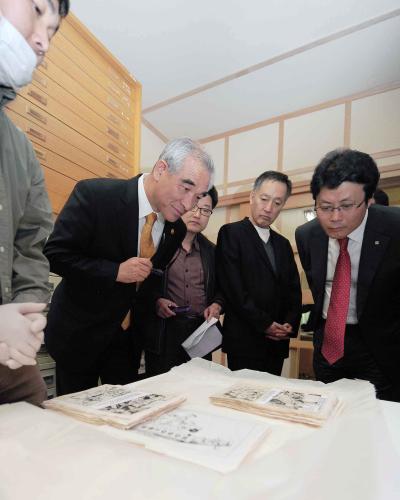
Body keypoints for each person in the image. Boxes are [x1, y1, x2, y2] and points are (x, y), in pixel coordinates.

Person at [44, 137, 214, 395]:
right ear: (161, 169)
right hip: (80, 335)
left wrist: (155, 299)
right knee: (74, 414)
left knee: (122, 412)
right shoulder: (96, 195)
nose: (189, 204)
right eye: (185, 187)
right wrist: (115, 271)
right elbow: (55, 254)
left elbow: (150, 278)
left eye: (198, 196)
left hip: (126, 344)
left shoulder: (175, 230)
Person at [0, 0, 70, 405]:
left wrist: (26, 314)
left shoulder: (21, 150)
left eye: (53, 30)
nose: (43, 41)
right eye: (38, 9)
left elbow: (31, 244)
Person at [295, 148, 400, 402]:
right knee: (327, 408)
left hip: (380, 344)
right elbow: (317, 285)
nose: (335, 218)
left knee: (378, 413)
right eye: (325, 207)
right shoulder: (307, 235)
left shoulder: (395, 228)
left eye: (346, 206)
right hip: (329, 342)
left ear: (368, 200)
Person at [216, 171, 302, 375]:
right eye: (264, 199)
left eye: (277, 203)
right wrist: (265, 324)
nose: (269, 208)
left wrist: (289, 324)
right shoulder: (231, 233)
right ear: (252, 197)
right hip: (244, 340)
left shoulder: (283, 244)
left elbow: (293, 290)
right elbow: (234, 289)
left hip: (276, 343)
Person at [135, 187, 224, 376]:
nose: (197, 214)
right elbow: (141, 284)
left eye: (205, 210)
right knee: (161, 386)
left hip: (200, 333)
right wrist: (156, 301)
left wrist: (217, 304)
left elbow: (222, 289)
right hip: (164, 332)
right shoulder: (159, 241)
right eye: (194, 207)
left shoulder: (212, 251)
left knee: (199, 385)